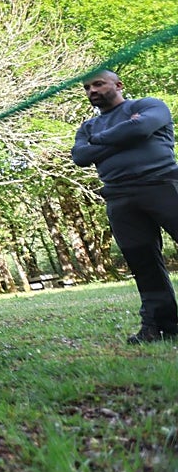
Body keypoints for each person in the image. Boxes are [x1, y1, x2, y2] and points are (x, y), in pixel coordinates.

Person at [71, 69, 178, 344]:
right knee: (143, 263)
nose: (92, 91)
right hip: (119, 196)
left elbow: (140, 128)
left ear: (118, 85)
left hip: (163, 185)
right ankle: (160, 325)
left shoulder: (148, 105)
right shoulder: (88, 127)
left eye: (98, 84)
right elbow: (80, 157)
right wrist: (125, 136)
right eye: (87, 88)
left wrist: (100, 141)